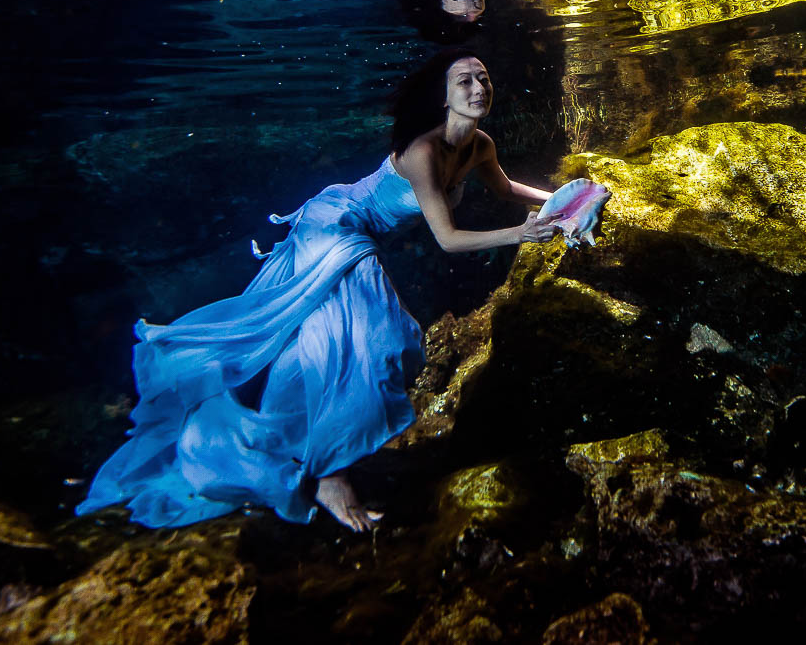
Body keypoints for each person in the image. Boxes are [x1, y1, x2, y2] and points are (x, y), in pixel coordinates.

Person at [77, 49, 563, 531]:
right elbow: (448, 239)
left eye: (484, 78)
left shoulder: (479, 144)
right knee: (385, 343)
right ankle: (329, 470)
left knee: (316, 349)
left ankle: (301, 450)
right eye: (464, 81)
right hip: (334, 228)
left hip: (356, 233)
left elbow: (507, 191)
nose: (479, 88)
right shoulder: (423, 153)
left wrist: (565, 200)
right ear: (442, 95)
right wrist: (521, 234)